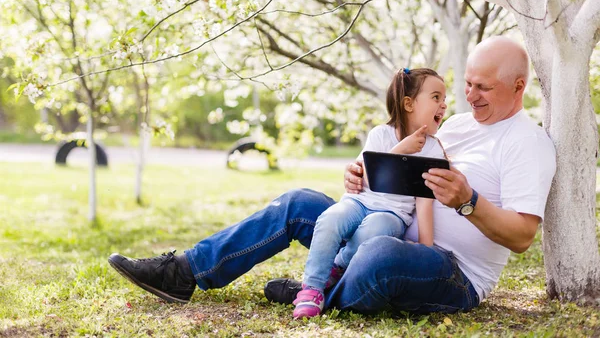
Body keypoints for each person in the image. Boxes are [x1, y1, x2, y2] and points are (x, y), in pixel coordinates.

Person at [108, 36, 556, 315]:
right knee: (300, 202)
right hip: (391, 226)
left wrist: (468, 201)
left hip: (450, 270)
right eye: (468, 84)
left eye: (483, 87)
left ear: (519, 87)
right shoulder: (455, 125)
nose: (469, 96)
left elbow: (520, 237)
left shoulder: (527, 143)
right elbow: (405, 176)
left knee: (381, 253)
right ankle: (185, 271)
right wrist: (365, 176)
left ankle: (318, 291)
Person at [292, 68, 447, 319]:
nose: (444, 105)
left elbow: (424, 199)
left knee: (373, 231)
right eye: (436, 97)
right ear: (408, 104)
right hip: (360, 201)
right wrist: (401, 149)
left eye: (444, 99)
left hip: (392, 214)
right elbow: (366, 176)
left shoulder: (433, 150)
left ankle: (339, 266)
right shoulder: (379, 134)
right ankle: (312, 289)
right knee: (330, 220)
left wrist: (425, 245)